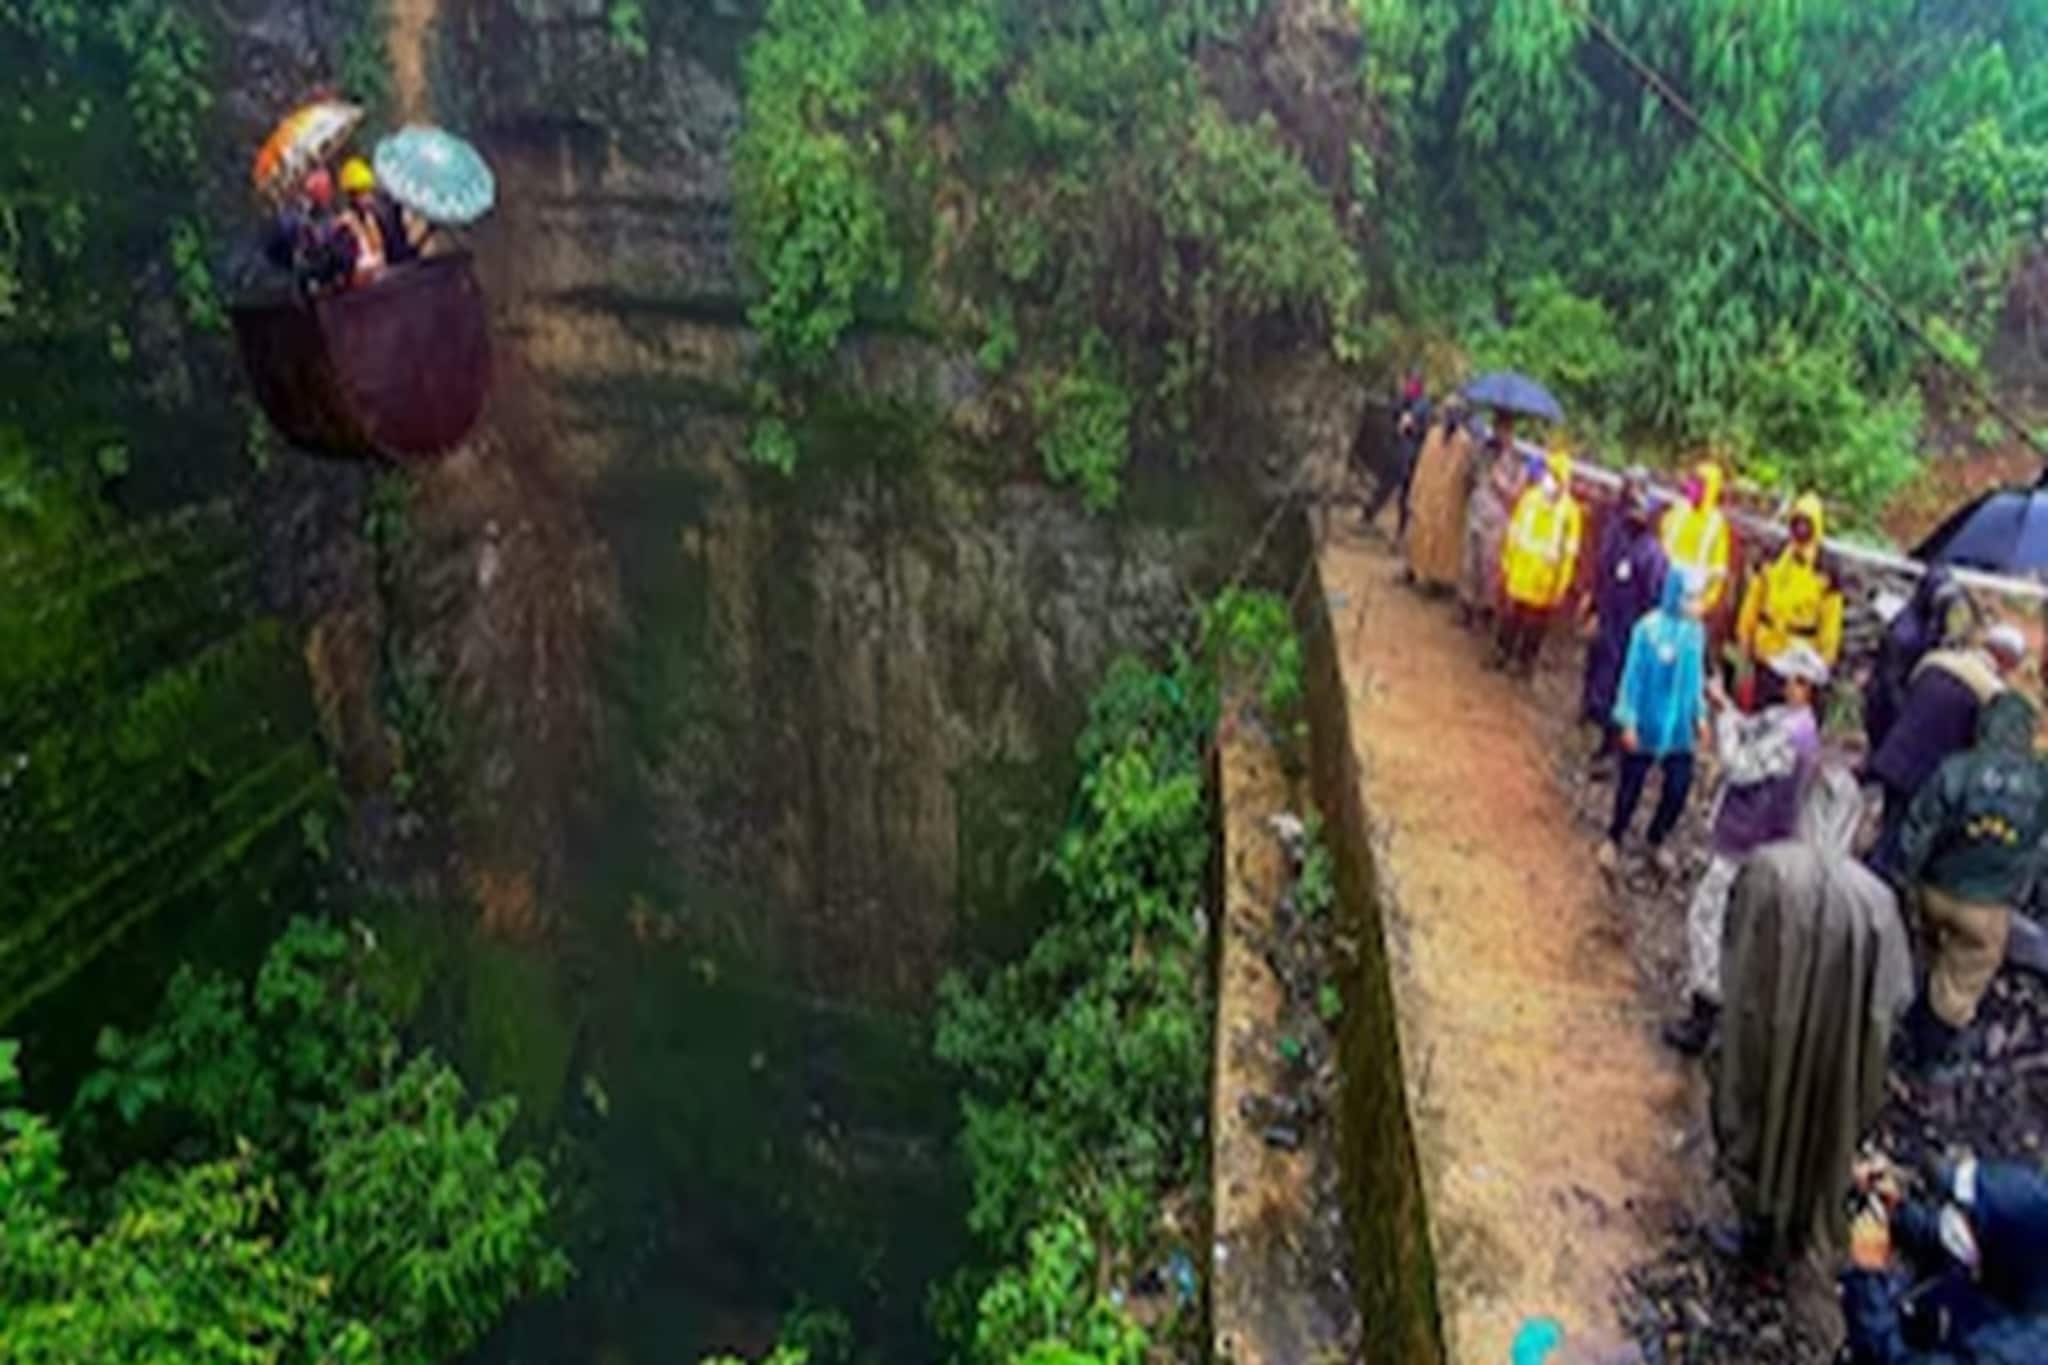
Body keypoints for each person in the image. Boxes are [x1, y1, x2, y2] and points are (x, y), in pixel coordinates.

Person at [1708, 765, 1912, 1266]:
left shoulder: (1768, 868)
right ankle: (1795, 1233)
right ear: (1854, 820)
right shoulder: (1877, 902)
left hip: (1766, 1029)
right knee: (1819, 1130)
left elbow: (1735, 943)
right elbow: (1896, 996)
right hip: (1836, 1051)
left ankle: (1755, 1226)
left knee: (1756, 1113)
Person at [1664, 642, 1828, 1055]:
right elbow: (1752, 728)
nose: (1780, 683)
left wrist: (1722, 719)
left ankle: (1704, 1016)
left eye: (1789, 679)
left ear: (1805, 687)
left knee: (1709, 920)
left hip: (1747, 844)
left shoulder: (1794, 737)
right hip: (1755, 841)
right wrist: (1726, 707)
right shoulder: (1791, 723)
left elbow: (1740, 766)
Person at [1896, 691, 2048, 1080]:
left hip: (1936, 889)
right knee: (1959, 987)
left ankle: (1906, 1023)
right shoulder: (2040, 782)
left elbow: (1918, 827)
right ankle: (1927, 1061)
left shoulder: (1957, 769)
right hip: (1987, 906)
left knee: (1929, 956)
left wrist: (1908, 878)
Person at [1841, 1156, 2048, 1362]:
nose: (1954, 1220)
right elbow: (1941, 1239)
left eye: (1968, 1217)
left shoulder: (2016, 1353)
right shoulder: (2012, 1272)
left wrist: (1867, 1280)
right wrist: (1896, 1210)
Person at [1867, 625, 2026, 879]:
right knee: (1896, 850)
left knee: (1888, 828)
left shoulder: (1935, 661)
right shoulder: (1991, 692)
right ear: (2007, 662)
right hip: (1925, 778)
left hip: (1894, 755)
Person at [1602, 568, 1708, 874]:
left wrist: (1699, 715)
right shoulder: (1647, 630)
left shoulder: (1695, 634)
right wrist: (1628, 720)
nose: (1697, 605)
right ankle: (1614, 837)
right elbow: (1632, 678)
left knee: (1678, 789)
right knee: (1630, 785)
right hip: (1647, 720)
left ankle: (1656, 838)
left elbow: (1695, 680)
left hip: (1679, 731)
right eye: (1691, 598)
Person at [1581, 466, 1668, 771]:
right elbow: (1603, 571)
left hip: (1631, 633)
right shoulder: (1616, 533)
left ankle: (1612, 749)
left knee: (1622, 689)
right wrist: (1594, 607)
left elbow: (1654, 600)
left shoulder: (1653, 555)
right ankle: (1598, 727)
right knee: (1602, 679)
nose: (1634, 516)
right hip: (1609, 621)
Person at [1735, 491, 1844, 707]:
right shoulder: (1774, 555)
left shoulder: (1826, 568)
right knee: (1760, 710)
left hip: (1798, 660)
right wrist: (1744, 637)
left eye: (1807, 523)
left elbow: (1831, 620)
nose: (1801, 529)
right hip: (1766, 651)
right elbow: (1754, 599)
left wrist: (1824, 661)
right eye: (1797, 522)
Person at [1494, 449, 1583, 677]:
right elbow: (1514, 532)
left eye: (1553, 475)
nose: (1548, 479)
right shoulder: (1530, 498)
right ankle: (1502, 653)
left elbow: (1569, 553)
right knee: (1510, 617)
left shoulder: (1570, 513)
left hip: (1544, 581)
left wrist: (1561, 586)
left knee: (1535, 625)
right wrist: (1506, 562)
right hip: (1519, 572)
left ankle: (1525, 663)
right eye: (1547, 473)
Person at [1867, 568, 1971, 756]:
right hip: (1889, 709)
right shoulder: (1905, 634)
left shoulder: (1930, 622)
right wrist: (1907, 717)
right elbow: (1889, 683)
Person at [1458, 418, 1526, 633]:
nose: (1500, 433)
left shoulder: (1517, 460)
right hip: (1476, 511)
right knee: (1470, 563)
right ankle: (1466, 608)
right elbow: (1468, 476)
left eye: (1504, 429)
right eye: (1497, 427)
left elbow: (1517, 493)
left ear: (1511, 433)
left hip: (1496, 519)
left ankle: (1484, 614)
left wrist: (1500, 482)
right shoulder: (1483, 451)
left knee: (1489, 568)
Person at [1402, 406, 1474, 592]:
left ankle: (1439, 579)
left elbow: (1465, 473)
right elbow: (1422, 463)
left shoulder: (1465, 442)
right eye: (1448, 412)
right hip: (1428, 492)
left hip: (1450, 499)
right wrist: (1416, 490)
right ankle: (1414, 570)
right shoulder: (1433, 435)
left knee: (1445, 540)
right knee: (1420, 530)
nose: (1451, 417)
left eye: (1455, 413)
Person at [262, 168, 357, 295]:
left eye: (329, 188)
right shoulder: (293, 216)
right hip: (311, 283)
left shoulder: (326, 212)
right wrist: (334, 228)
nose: (330, 193)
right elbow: (309, 240)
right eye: (326, 189)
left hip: (335, 278)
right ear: (314, 191)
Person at [1360, 370, 1431, 538]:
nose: (1410, 386)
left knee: (1406, 495)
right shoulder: (1402, 400)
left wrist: (1411, 426)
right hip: (1395, 450)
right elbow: (1392, 416)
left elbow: (1423, 430)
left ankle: (1401, 531)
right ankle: (1368, 514)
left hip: (1411, 455)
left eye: (1414, 383)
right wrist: (1398, 421)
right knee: (1385, 485)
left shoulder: (1424, 405)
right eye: (1409, 382)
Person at [1659, 460, 1733, 616]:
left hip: (1690, 601)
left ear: (1710, 490)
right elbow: (1660, 544)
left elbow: (1718, 573)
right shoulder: (1677, 511)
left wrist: (1705, 604)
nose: (1693, 488)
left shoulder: (1717, 525)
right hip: (1661, 590)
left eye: (1699, 485)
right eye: (1693, 482)